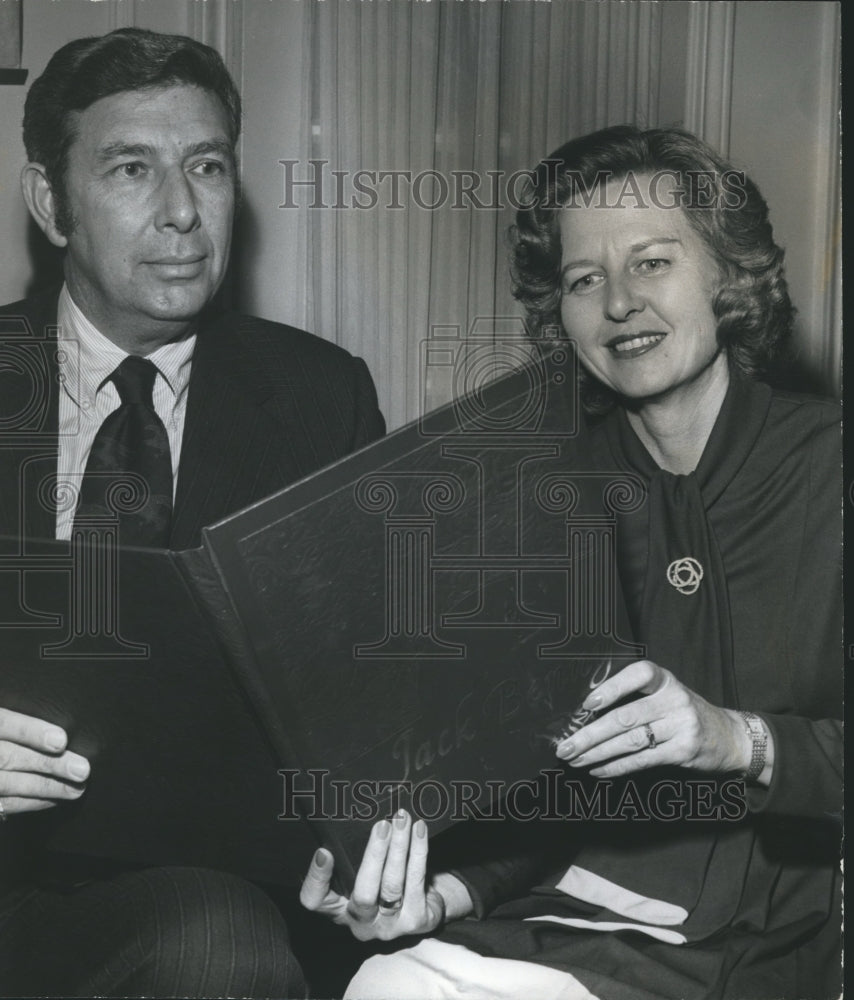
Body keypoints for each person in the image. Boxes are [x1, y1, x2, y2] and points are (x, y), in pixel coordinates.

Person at [301, 126, 842, 999]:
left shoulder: (829, 466)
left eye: (654, 262)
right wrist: (439, 896)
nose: (619, 302)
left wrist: (738, 741)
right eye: (585, 279)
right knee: (384, 983)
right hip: (572, 928)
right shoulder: (545, 491)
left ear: (730, 277)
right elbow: (541, 788)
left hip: (788, 940)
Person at [0, 28, 384, 997]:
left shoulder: (317, 399)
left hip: (208, 893)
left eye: (205, 166)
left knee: (218, 942)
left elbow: (373, 686)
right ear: (51, 202)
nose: (182, 212)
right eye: (132, 168)